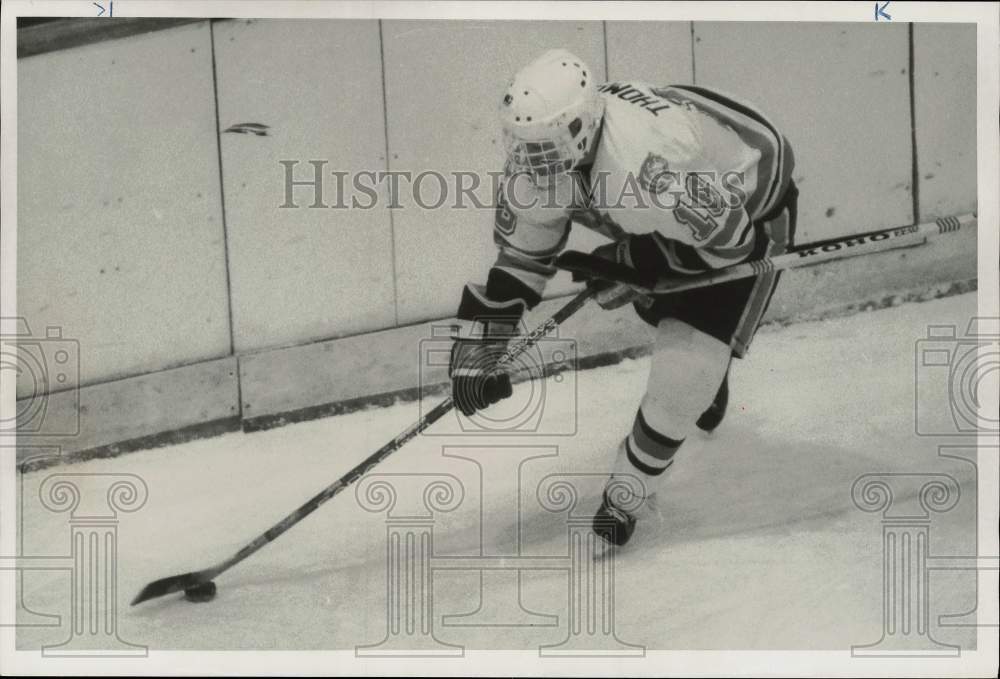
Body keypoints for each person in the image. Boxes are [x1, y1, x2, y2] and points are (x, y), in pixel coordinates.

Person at [448, 48, 798, 549]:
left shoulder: (648, 164)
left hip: (747, 206)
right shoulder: (550, 157)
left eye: (542, 147)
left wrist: (634, 265)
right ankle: (705, 365)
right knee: (663, 306)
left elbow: (730, 245)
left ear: (581, 130)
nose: (528, 161)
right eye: (521, 144)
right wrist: (480, 349)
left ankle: (631, 493)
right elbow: (520, 262)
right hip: (679, 204)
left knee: (682, 377)